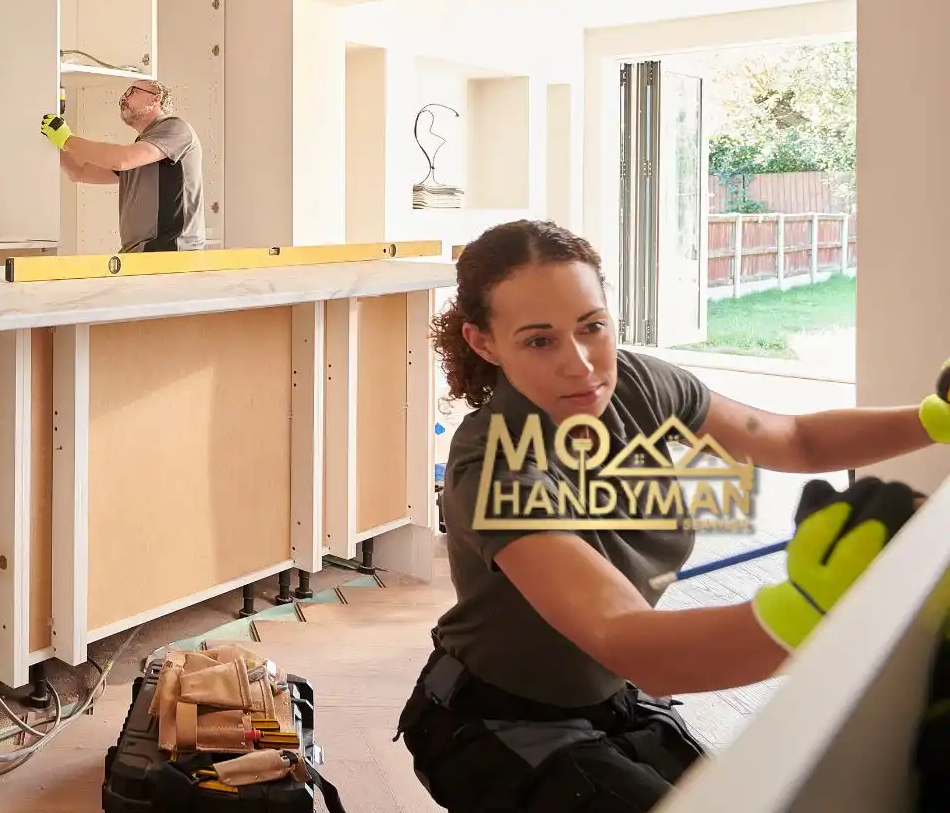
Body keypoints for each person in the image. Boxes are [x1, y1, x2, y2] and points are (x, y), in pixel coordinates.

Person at [399, 219, 941, 811]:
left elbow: (795, 440)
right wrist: (813, 606)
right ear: (485, 343)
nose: (580, 364)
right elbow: (633, 643)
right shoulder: (494, 469)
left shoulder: (637, 385)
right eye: (539, 340)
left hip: (611, 707)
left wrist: (935, 418)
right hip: (492, 723)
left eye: (592, 327)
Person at [38, 80, 205, 252]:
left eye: (132, 91)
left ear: (155, 98)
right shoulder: (143, 151)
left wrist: (67, 140)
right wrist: (53, 139)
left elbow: (121, 159)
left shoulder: (175, 128)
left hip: (172, 252)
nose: (123, 98)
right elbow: (79, 172)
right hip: (140, 253)